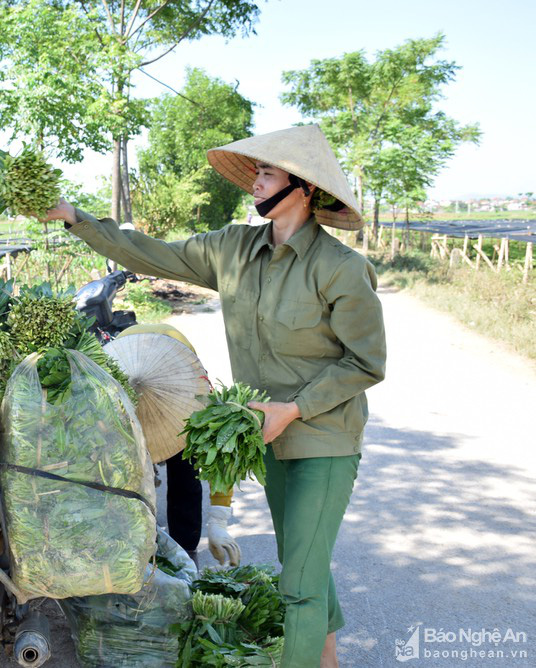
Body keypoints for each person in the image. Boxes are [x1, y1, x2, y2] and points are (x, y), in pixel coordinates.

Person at [41, 124, 386, 668]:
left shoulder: (340, 269)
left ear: (304, 188)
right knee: (306, 556)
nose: (255, 182)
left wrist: (293, 408)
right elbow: (152, 254)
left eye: (267, 172)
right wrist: (77, 220)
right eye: (256, 172)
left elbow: (366, 362)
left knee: (298, 579)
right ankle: (327, 657)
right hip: (264, 437)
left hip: (323, 437)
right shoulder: (233, 248)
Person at [115, 323, 241, 567]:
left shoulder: (193, 399)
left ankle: (186, 553)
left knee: (186, 473)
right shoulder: (110, 399)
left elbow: (222, 454)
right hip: (129, 361)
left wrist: (218, 520)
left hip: (174, 371)